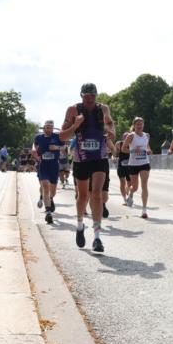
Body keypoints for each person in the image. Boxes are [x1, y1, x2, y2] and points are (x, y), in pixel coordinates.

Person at [60, 82, 115, 252]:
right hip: (81, 159)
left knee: (97, 194)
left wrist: (108, 128)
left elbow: (112, 131)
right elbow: (62, 136)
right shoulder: (73, 110)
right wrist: (75, 125)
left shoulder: (103, 109)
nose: (90, 99)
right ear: (81, 96)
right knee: (83, 196)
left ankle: (97, 237)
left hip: (99, 157)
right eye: (87, 96)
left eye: (93, 96)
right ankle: (79, 225)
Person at [34, 120, 63, 225]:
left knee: (53, 191)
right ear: (44, 128)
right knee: (45, 186)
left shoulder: (58, 137)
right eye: (47, 127)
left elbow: (64, 148)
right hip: (43, 165)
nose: (49, 129)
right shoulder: (38, 138)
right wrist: (36, 155)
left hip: (54, 166)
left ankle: (50, 199)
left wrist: (57, 147)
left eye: (51, 127)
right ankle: (48, 211)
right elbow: (35, 148)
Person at [124, 117, 153, 218]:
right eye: (138, 124)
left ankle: (144, 210)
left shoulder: (146, 135)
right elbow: (123, 149)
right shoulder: (131, 136)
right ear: (134, 125)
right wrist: (132, 151)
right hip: (133, 164)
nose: (140, 126)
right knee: (135, 187)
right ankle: (131, 193)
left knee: (144, 185)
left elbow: (147, 146)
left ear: (143, 125)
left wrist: (149, 150)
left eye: (141, 124)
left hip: (144, 163)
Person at [115, 131, 132, 205]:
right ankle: (125, 199)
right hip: (121, 166)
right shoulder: (119, 144)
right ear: (123, 138)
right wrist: (113, 157)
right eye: (125, 137)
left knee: (130, 183)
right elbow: (115, 154)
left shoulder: (132, 145)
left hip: (130, 166)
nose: (126, 139)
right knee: (122, 182)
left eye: (128, 137)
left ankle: (127, 190)